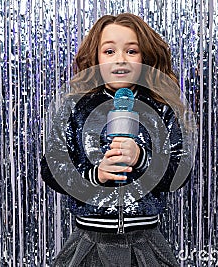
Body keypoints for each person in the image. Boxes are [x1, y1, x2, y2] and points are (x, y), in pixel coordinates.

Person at [41, 13, 196, 267]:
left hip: (145, 241)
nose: (120, 60)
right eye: (109, 51)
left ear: (145, 57)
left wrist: (142, 159)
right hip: (90, 240)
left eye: (131, 51)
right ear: (95, 58)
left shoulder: (161, 107)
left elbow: (181, 170)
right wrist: (95, 174)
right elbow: (52, 166)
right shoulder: (74, 108)